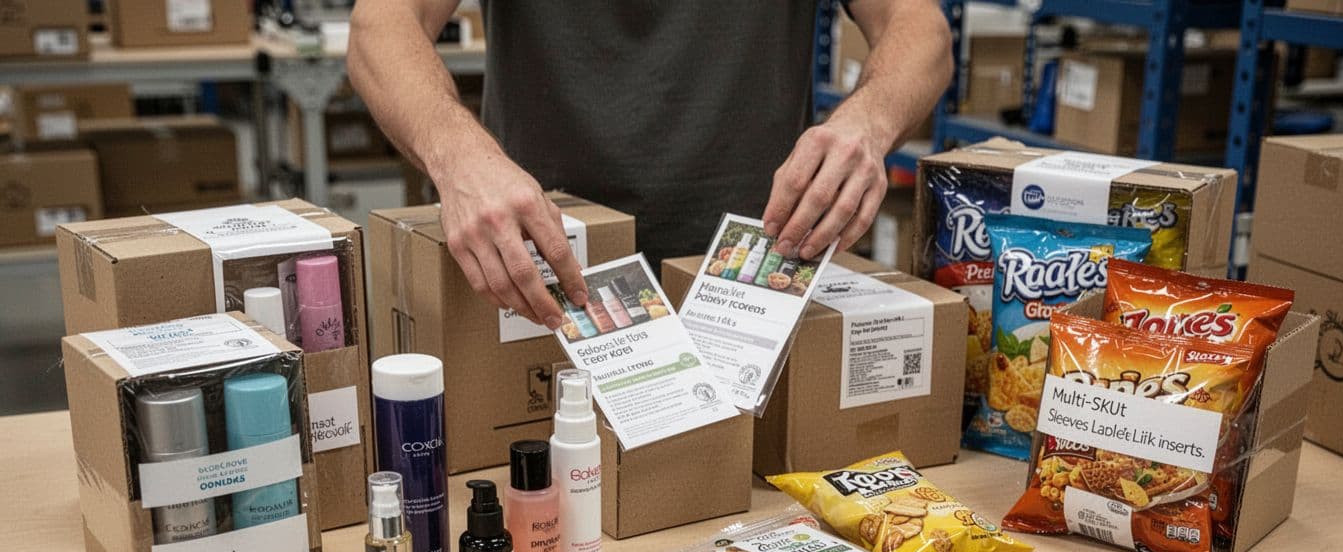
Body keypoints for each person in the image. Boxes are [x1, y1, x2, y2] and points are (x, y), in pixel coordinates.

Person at [349, 1, 951, 330]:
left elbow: (919, 27)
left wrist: (868, 122)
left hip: (754, 287)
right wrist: (458, 158)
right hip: (535, 285)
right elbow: (381, 25)